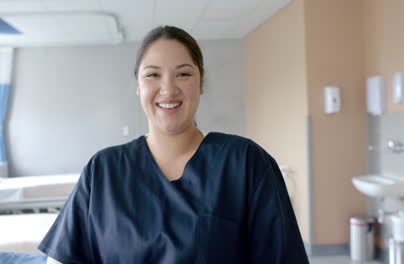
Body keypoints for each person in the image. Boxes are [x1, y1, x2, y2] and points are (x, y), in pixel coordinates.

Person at [39, 25, 309, 264]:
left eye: (183, 74)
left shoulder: (245, 163)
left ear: (201, 82)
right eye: (153, 75)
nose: (168, 89)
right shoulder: (104, 170)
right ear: (138, 86)